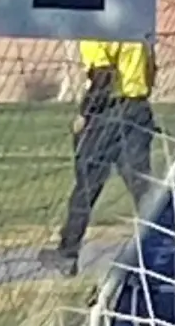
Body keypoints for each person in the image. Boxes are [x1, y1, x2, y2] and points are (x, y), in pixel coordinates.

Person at [40, 40, 157, 276]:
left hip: (108, 112)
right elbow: (152, 68)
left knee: (87, 184)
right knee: (142, 185)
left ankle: (68, 252)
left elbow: (103, 75)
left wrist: (86, 114)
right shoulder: (137, 28)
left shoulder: (96, 34)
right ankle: (165, 243)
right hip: (138, 108)